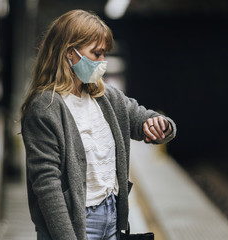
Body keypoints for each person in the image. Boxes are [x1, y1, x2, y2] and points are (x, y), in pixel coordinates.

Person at [21, 9, 176, 240]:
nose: (103, 62)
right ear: (69, 54)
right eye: (96, 54)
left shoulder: (106, 97)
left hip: (112, 217)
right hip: (77, 224)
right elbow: (46, 186)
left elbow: (142, 117)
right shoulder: (45, 107)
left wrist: (161, 125)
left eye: (104, 54)